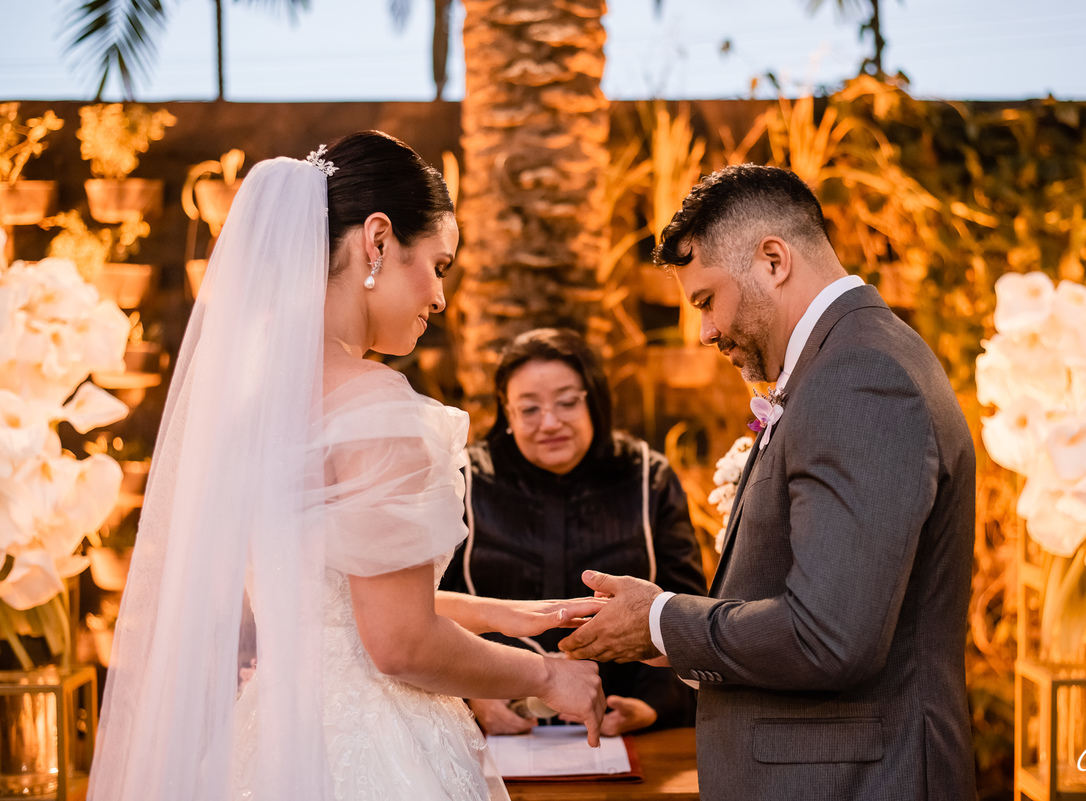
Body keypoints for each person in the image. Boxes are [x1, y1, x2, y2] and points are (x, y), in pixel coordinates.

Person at [87, 132, 607, 801]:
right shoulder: (376, 407)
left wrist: (503, 614)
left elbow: (325, 600)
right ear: (378, 240)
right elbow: (399, 643)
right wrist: (547, 676)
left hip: (272, 741)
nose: (440, 297)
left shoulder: (256, 403)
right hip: (377, 751)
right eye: (438, 265)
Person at [559, 165, 977, 800]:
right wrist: (667, 636)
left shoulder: (859, 375)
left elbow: (829, 637)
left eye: (706, 301)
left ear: (774, 260)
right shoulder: (847, 359)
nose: (704, 331)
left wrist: (662, 622)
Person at [441, 328, 707, 737]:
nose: (550, 423)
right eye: (529, 409)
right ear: (507, 412)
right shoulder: (464, 480)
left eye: (567, 403)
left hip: (623, 729)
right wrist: (472, 694)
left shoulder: (647, 477)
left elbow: (684, 611)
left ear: (594, 401)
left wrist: (651, 706)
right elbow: (430, 611)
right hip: (496, 729)